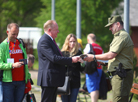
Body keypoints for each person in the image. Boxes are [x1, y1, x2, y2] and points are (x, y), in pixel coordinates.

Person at [83, 15, 134, 102]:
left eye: (111, 26)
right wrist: (106, 63)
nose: (110, 28)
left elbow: (111, 55)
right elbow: (119, 57)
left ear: (118, 24)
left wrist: (93, 57)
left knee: (118, 100)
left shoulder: (121, 36)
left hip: (121, 76)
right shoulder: (121, 36)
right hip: (121, 75)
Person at [37, 20, 80, 102]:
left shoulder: (50, 40)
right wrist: (71, 59)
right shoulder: (44, 41)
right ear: (49, 30)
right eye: (56, 29)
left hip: (52, 79)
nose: (58, 31)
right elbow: (54, 58)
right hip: (48, 79)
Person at [0, 23, 31, 102]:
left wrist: (27, 77)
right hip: (8, 82)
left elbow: (24, 62)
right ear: (7, 32)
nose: (15, 36)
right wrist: (12, 65)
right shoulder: (3, 46)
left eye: (17, 34)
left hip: (21, 82)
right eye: (13, 34)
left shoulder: (20, 43)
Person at [61, 34, 84, 102]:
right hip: (64, 81)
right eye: (70, 41)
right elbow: (60, 67)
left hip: (75, 80)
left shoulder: (78, 52)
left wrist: (82, 63)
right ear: (67, 42)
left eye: (74, 41)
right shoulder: (62, 53)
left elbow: (82, 69)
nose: (72, 43)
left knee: (73, 100)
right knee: (65, 101)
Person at [83, 33, 103, 102]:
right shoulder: (99, 47)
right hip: (99, 69)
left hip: (91, 69)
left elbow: (84, 56)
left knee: (92, 89)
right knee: (96, 88)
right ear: (95, 39)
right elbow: (103, 59)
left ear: (88, 39)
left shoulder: (89, 45)